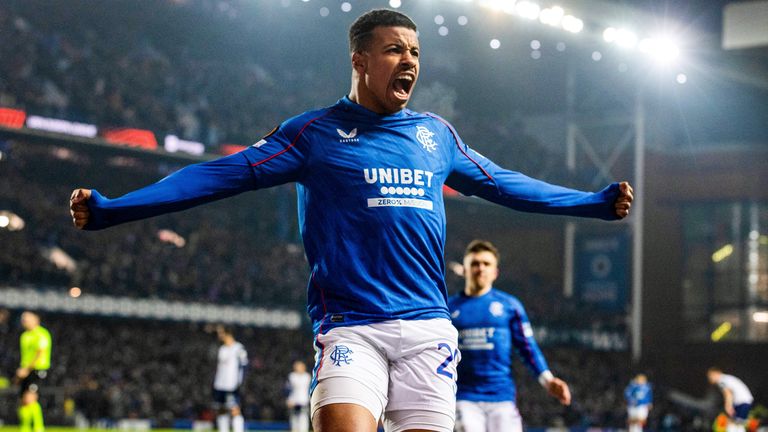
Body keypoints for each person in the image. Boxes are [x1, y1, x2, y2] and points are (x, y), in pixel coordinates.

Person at [69, 9, 633, 432]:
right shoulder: (311, 134)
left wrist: (591, 203)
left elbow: (508, 185)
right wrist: (116, 208)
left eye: (415, 52)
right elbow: (218, 175)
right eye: (394, 50)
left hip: (427, 335)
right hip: (351, 328)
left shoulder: (436, 135)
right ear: (359, 60)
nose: (410, 60)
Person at [448, 240, 570, 432]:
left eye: (486, 264)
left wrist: (548, 379)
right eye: (475, 263)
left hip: (501, 398)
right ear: (465, 269)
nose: (480, 268)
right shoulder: (448, 308)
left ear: (495, 272)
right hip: (463, 397)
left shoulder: (509, 306)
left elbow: (528, 347)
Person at [16, 311, 52, 432]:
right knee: (23, 401)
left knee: (30, 399)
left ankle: (38, 428)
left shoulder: (41, 334)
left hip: (38, 369)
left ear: (36, 319)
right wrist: (21, 370)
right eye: (23, 319)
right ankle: (24, 428)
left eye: (27, 318)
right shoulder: (24, 336)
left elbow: (40, 352)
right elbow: (25, 356)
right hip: (25, 370)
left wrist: (26, 369)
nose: (24, 321)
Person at [212, 326, 248, 432]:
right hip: (220, 385)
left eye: (221, 333)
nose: (219, 335)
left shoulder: (238, 348)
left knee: (234, 409)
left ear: (228, 333)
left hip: (231, 385)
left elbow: (244, 365)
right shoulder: (222, 349)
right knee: (221, 409)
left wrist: (240, 382)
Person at [707, 367, 753, 432]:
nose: (709, 379)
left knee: (733, 424)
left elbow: (728, 394)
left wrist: (728, 406)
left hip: (741, 402)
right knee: (738, 424)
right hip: (746, 400)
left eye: (710, 376)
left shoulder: (722, 380)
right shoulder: (727, 378)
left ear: (716, 373)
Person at [286, 360, 312, 432]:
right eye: (297, 366)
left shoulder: (307, 376)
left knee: (303, 418)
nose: (298, 368)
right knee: (294, 418)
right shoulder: (292, 376)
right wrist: (289, 399)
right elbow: (289, 389)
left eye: (300, 366)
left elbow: (308, 389)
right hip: (293, 400)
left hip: (303, 400)